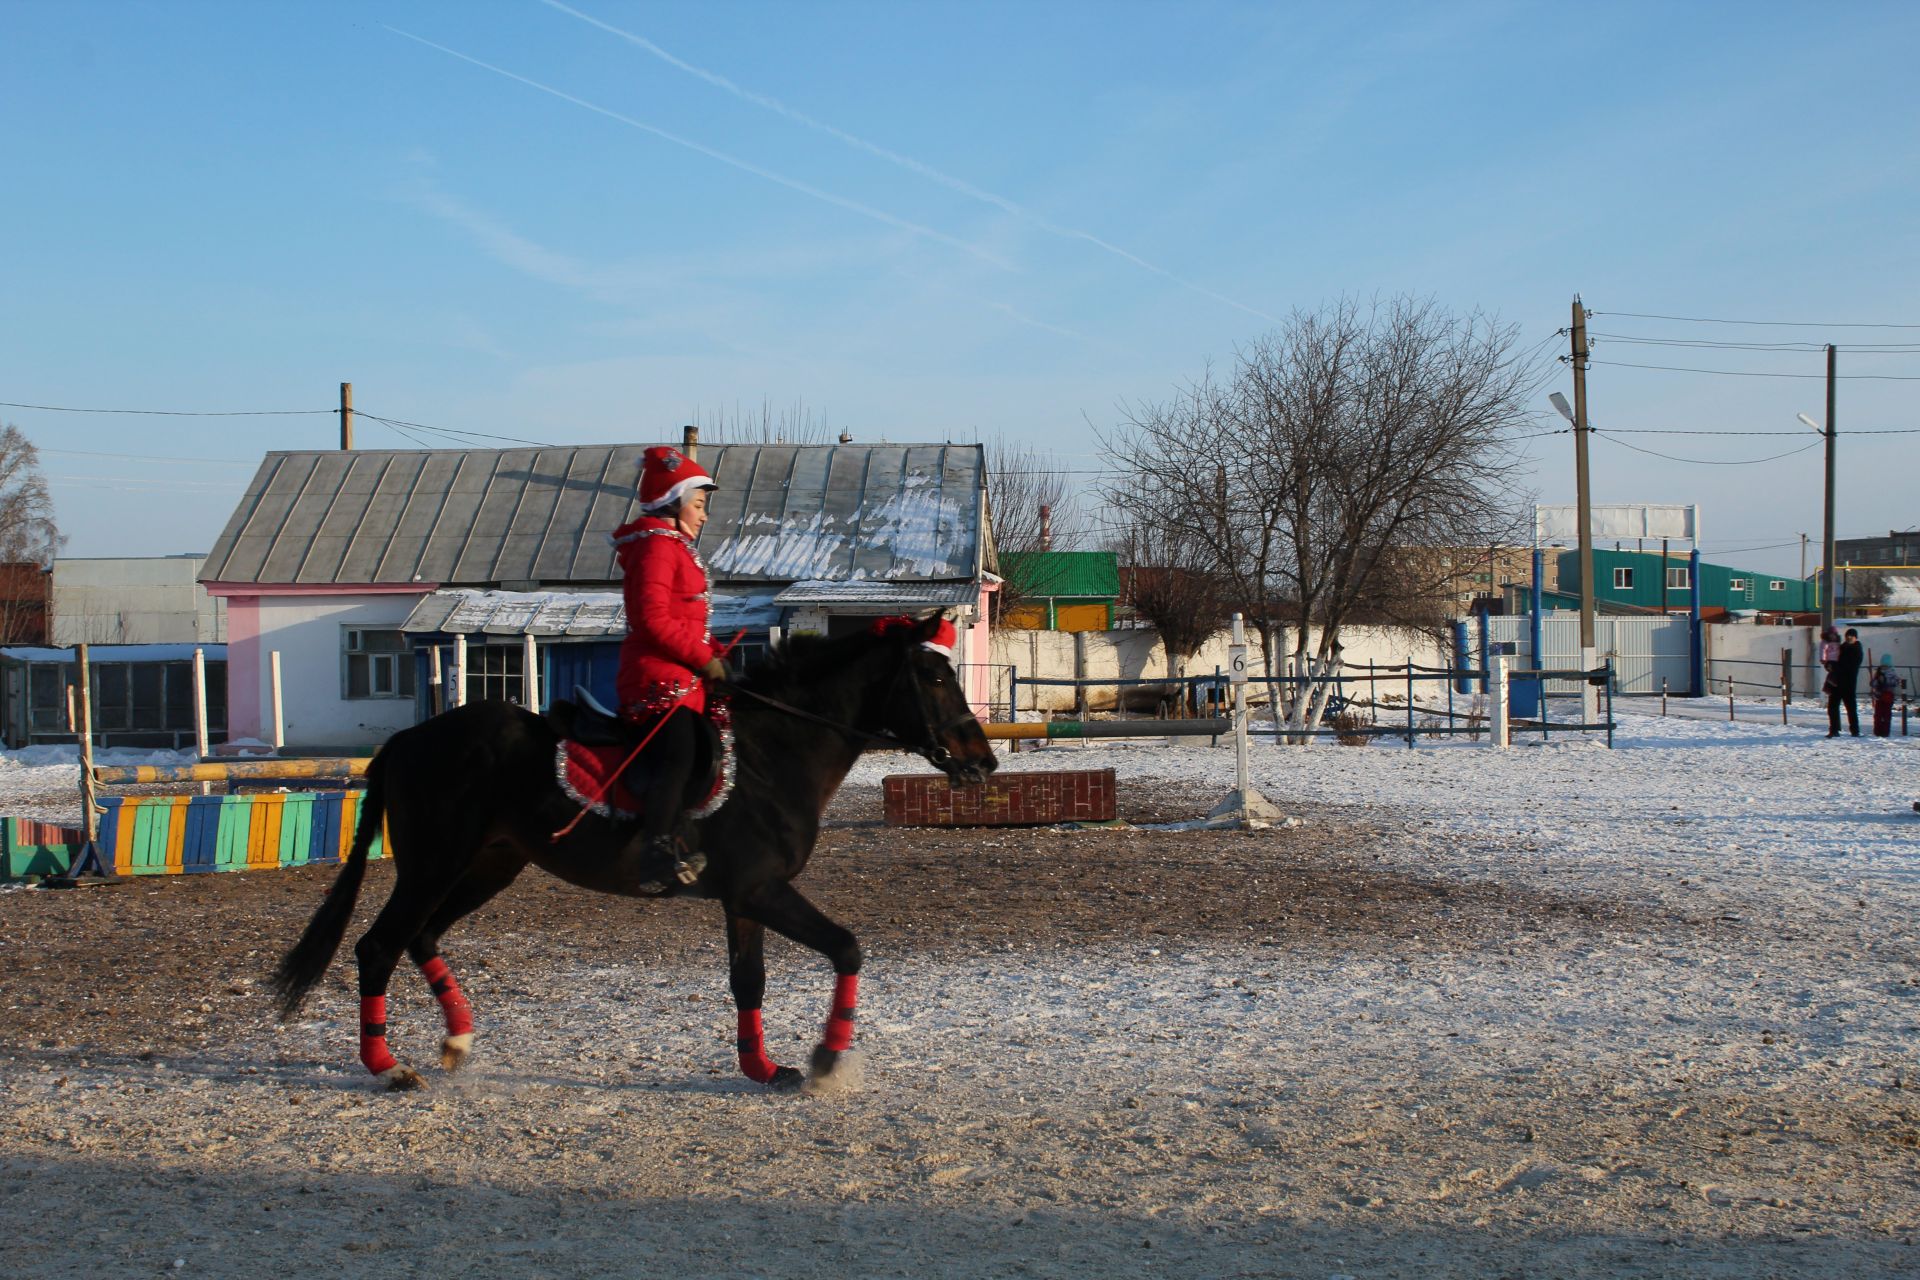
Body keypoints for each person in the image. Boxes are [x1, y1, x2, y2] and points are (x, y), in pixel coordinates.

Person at [608, 445, 726, 893]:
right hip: (657, 680)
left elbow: (686, 621)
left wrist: (716, 653)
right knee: (678, 750)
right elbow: (653, 620)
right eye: (698, 505)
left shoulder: (670, 545)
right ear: (674, 502)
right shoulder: (657, 546)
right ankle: (657, 850)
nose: (704, 516)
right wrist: (704, 660)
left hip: (684, 678)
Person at [1828, 627, 1864, 738]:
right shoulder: (1841, 647)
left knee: (1851, 708)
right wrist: (1829, 665)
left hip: (1849, 683)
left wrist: (1835, 667)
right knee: (1832, 707)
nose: (1849, 637)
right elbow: (1832, 659)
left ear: (1855, 638)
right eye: (1847, 635)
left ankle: (1855, 731)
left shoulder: (1857, 650)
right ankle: (1834, 730)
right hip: (1836, 683)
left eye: (1851, 636)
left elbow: (1850, 666)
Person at [1870, 653, 1901, 738]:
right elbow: (1872, 683)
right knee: (1878, 715)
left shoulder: (1892, 673)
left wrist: (1885, 681)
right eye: (1883, 665)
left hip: (1887, 697)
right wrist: (1877, 681)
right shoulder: (1878, 672)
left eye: (1886, 665)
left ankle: (1885, 732)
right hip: (1879, 696)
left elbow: (1896, 682)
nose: (1884, 667)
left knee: (1886, 715)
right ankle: (1877, 731)